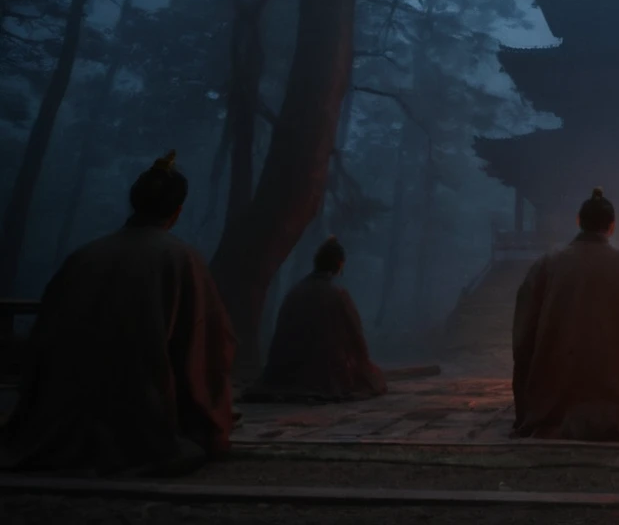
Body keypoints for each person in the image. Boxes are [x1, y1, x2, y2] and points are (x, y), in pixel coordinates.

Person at [0, 152, 236, 476]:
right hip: (136, 418)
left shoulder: (83, 257)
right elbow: (209, 345)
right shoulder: (181, 260)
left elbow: (42, 342)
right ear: (177, 211)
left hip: (56, 417)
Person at [512, 187, 619, 443]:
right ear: (611, 226)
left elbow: (523, 334)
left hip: (556, 396)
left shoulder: (548, 265)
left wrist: (528, 399)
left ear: (579, 222)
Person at [244, 236, 386, 403]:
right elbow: (356, 336)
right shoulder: (337, 295)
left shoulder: (295, 292)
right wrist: (364, 364)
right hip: (323, 370)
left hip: (285, 370)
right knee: (372, 378)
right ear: (339, 264)